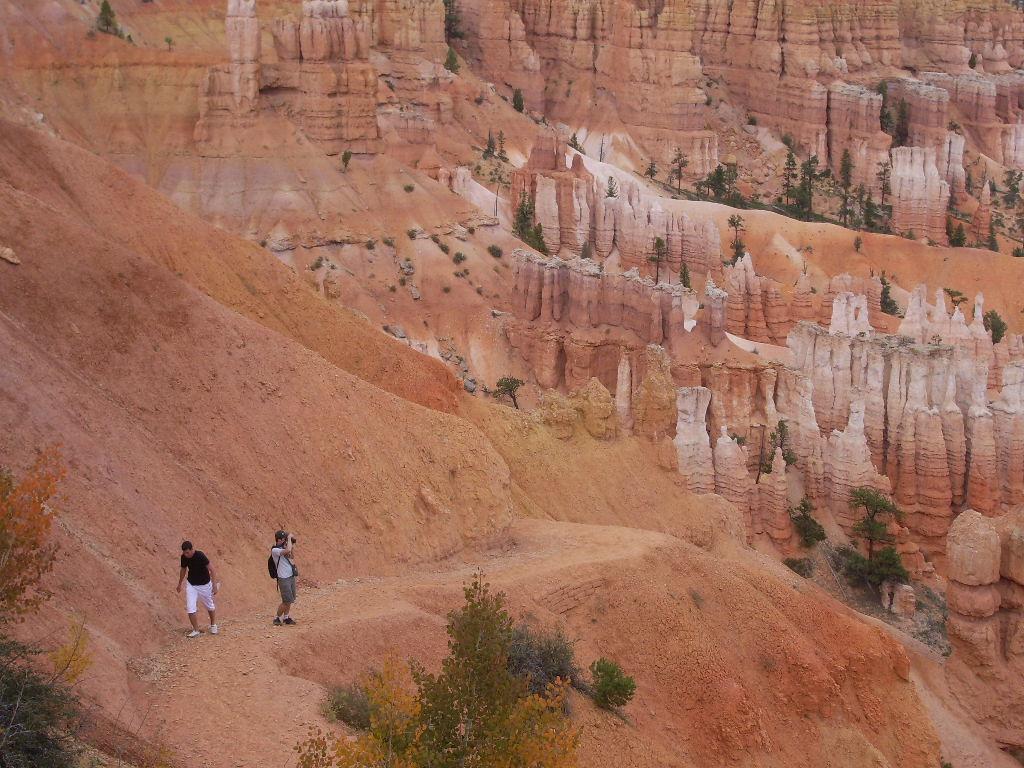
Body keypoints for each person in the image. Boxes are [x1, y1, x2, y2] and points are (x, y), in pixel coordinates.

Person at [177, 541, 218, 638]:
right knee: (190, 607)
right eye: (184, 553)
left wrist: (214, 585)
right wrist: (179, 583)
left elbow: (212, 569)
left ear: (192, 549)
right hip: (192, 584)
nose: (186, 555)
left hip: (205, 585)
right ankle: (196, 630)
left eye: (187, 552)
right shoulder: (184, 557)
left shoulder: (200, 555)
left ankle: (213, 625)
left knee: (209, 606)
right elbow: (183, 569)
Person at [271, 530, 297, 626]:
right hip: (283, 578)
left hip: (290, 576)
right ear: (279, 540)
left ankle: (286, 617)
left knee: (290, 599)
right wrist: (289, 539)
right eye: (284, 539)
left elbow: (291, 556)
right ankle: (277, 618)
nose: (285, 540)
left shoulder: (284, 548)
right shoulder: (275, 550)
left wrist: (291, 546)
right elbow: (287, 551)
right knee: (286, 600)